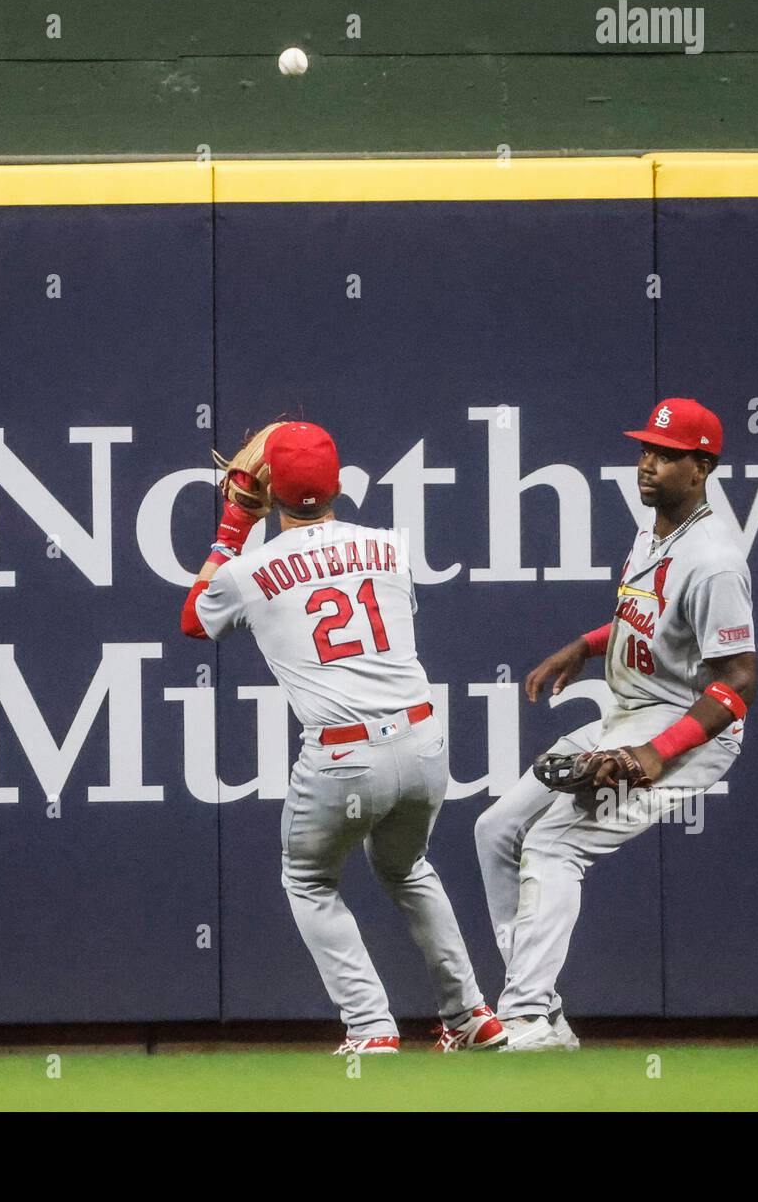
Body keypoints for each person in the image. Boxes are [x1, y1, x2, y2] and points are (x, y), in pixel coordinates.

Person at [181, 420, 505, 1055]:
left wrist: (236, 521)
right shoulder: (390, 548)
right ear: (337, 485)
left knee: (308, 881)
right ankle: (469, 1013)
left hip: (344, 754)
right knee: (407, 867)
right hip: (421, 742)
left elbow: (195, 619)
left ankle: (371, 1026)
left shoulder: (253, 569)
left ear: (272, 489)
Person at [474, 398, 758, 1051]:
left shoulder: (714, 558)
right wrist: (585, 644)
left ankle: (523, 1016)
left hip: (687, 730)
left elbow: (738, 681)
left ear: (703, 465)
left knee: (553, 845)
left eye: (667, 453)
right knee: (496, 829)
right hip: (629, 713)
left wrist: (658, 753)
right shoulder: (655, 531)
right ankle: (538, 1005)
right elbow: (652, 620)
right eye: (645, 450)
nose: (649, 463)